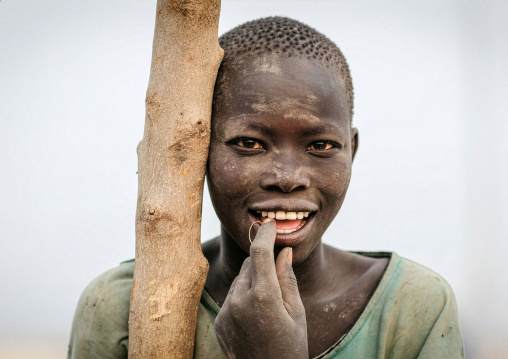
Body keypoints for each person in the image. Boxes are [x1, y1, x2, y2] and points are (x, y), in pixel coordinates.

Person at [67, 17, 464, 358]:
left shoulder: (413, 307)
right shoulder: (123, 304)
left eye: (321, 145)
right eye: (250, 143)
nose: (288, 177)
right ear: (200, 149)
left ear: (352, 150)